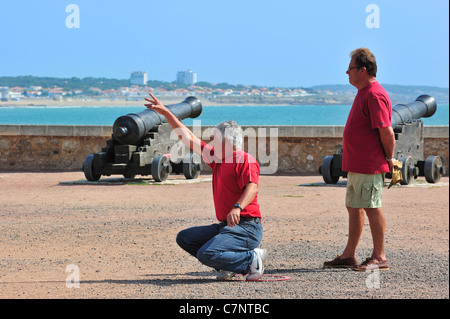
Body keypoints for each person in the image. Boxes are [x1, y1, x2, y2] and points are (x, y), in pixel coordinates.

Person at [145, 93, 266, 281]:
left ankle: (251, 259)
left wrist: (237, 207)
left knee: (206, 253)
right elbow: (188, 138)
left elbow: (252, 187)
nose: (210, 142)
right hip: (227, 226)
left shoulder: (244, 159)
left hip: (247, 227)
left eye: (214, 138)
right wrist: (165, 112)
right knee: (185, 238)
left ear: (226, 141)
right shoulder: (218, 159)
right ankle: (228, 266)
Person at [323, 48, 395, 271]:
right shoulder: (364, 92)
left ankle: (379, 257)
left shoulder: (374, 94)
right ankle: (349, 255)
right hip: (357, 165)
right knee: (354, 207)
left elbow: (387, 132)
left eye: (351, 68)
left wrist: (389, 159)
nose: (347, 72)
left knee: (372, 207)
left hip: (369, 165)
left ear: (363, 70)